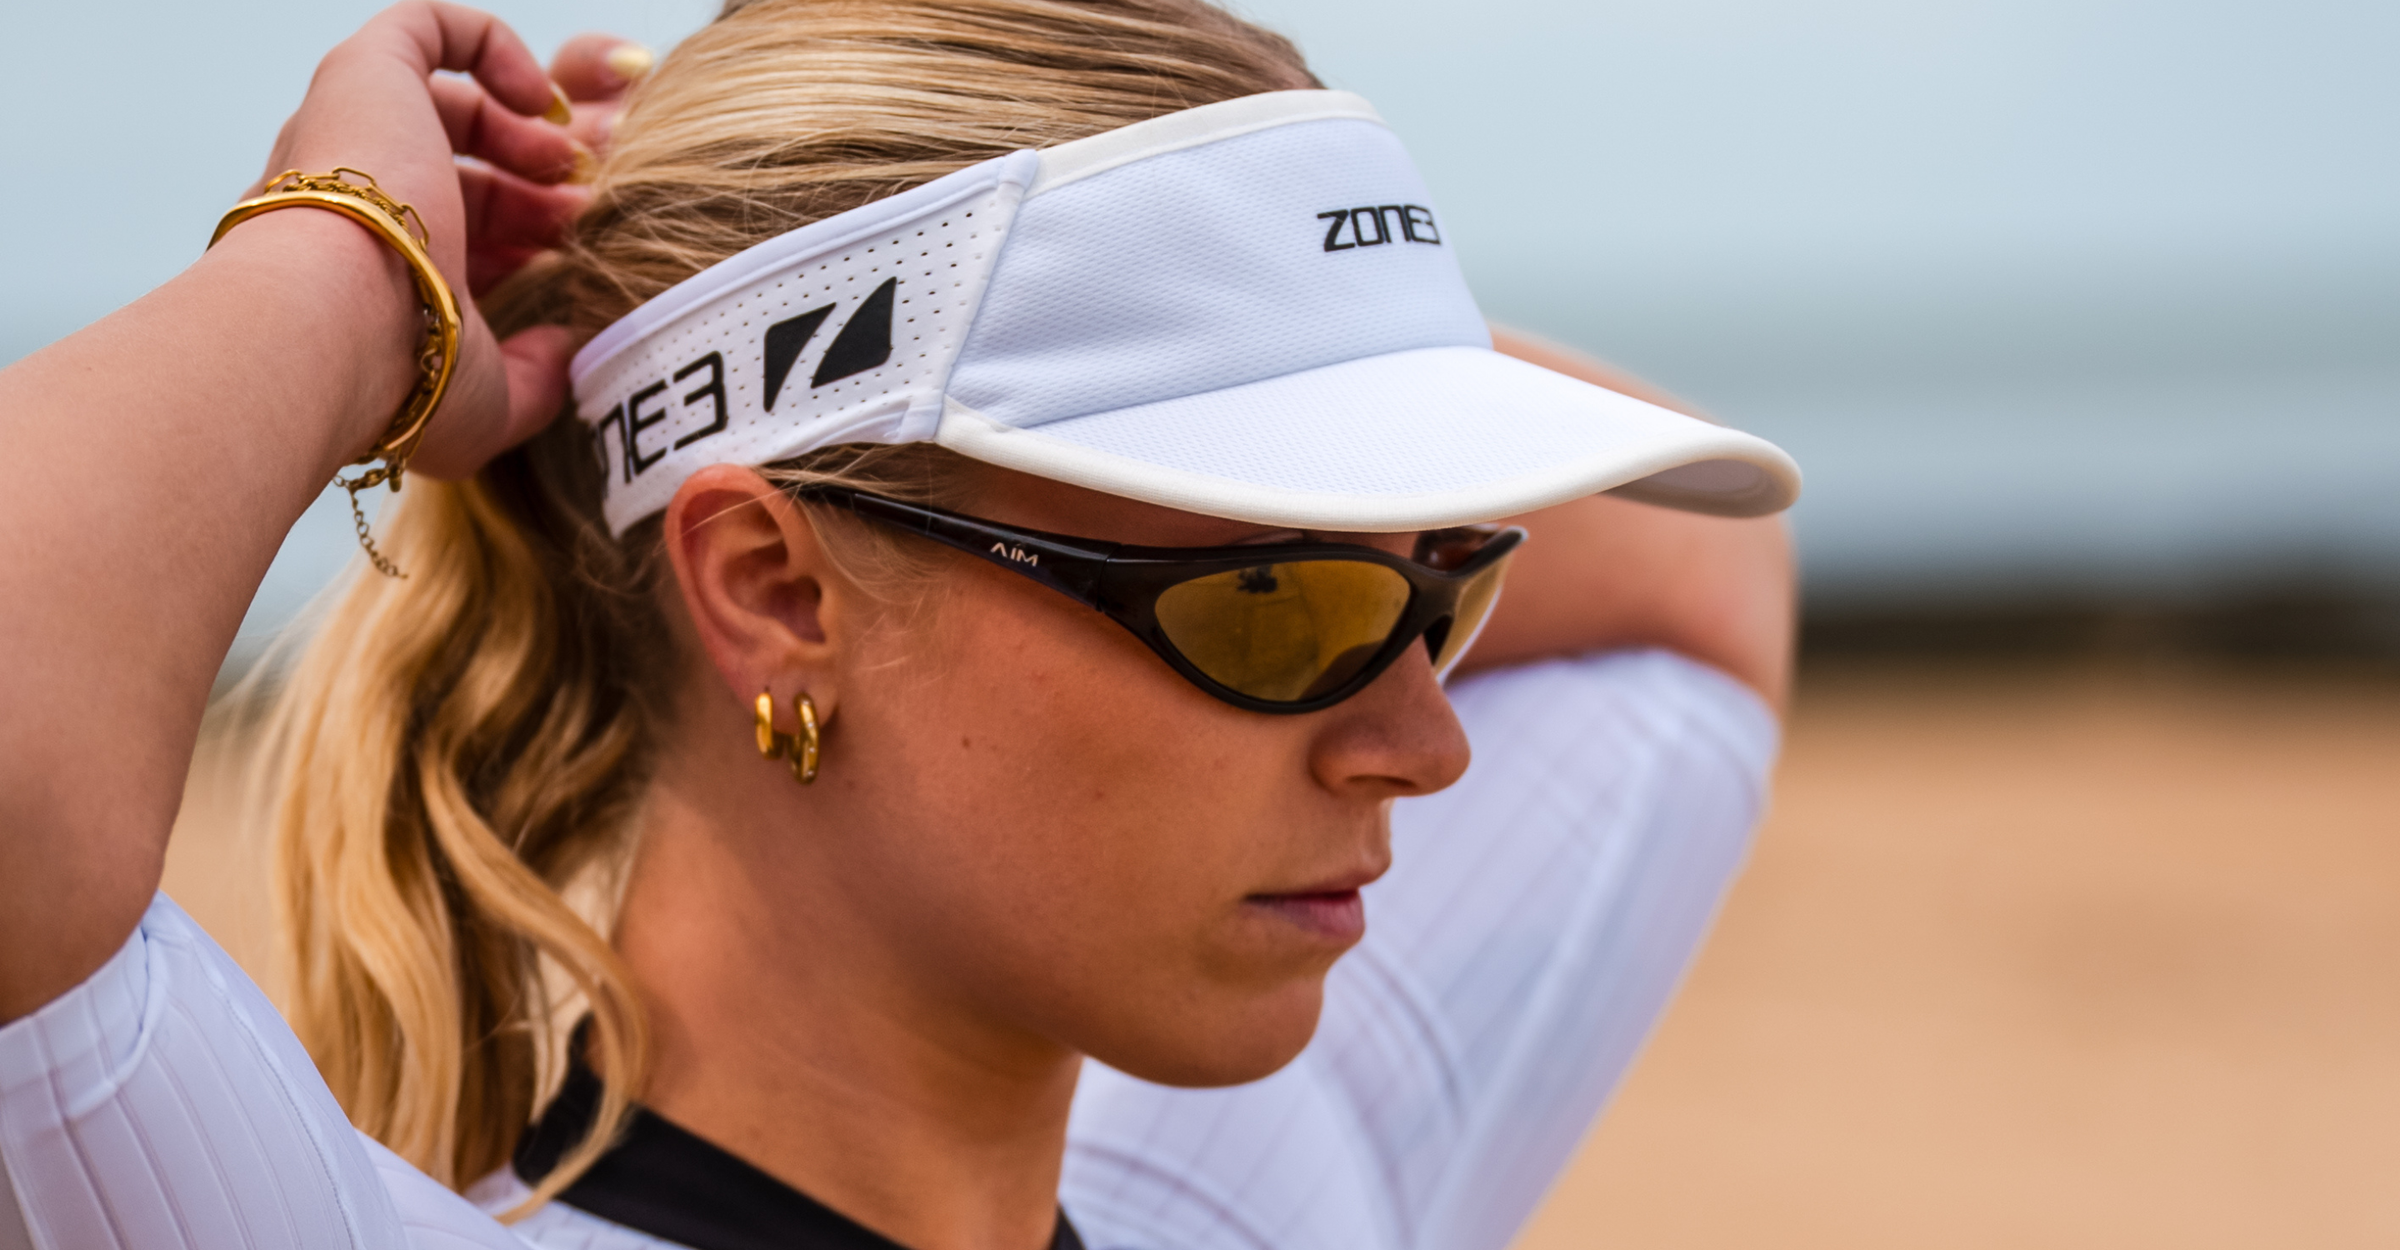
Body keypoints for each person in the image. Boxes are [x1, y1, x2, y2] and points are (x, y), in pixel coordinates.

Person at [0, 2, 1799, 1248]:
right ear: (775, 593)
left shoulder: (1256, 1190)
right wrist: (348, 266)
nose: (1423, 738)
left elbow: (1699, 567)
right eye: (1277, 599)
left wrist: (721, 272)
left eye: (1442, 579)